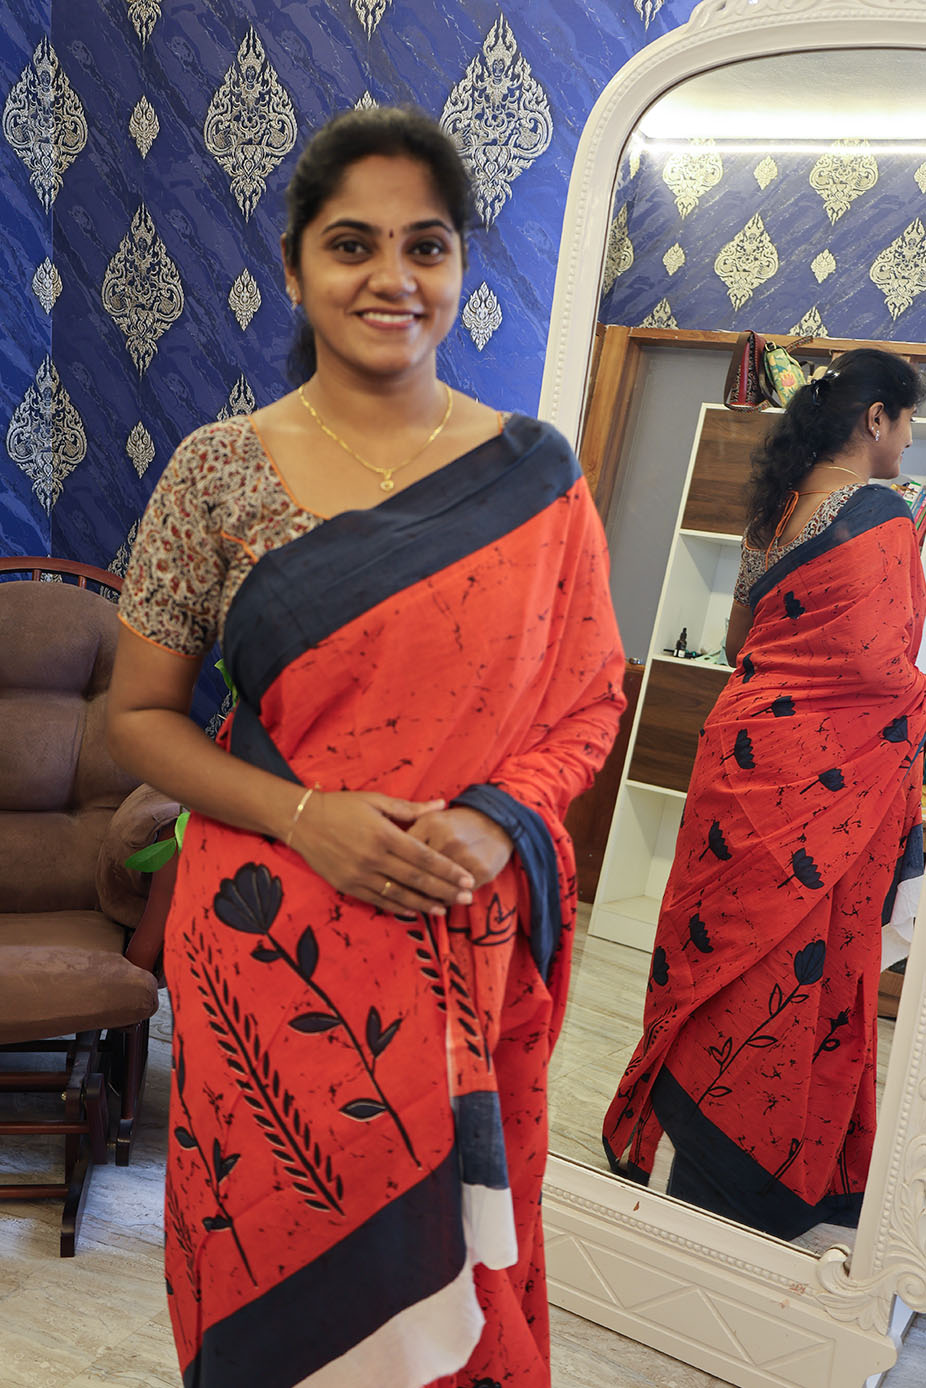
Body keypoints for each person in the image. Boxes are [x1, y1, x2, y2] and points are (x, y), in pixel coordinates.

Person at [107, 105, 625, 1388]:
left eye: (427, 246)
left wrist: (497, 812)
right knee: (277, 1261)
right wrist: (303, 816)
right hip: (268, 949)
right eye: (352, 244)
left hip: (464, 933)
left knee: (454, 1283)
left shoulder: (535, 475)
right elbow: (139, 716)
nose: (391, 278)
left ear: (459, 269)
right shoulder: (215, 472)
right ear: (293, 267)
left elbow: (588, 694)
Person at [602, 348, 926, 1241]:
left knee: (719, 958)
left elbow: (750, 641)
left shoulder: (776, 510)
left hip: (739, 758)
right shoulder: (886, 517)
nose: (907, 440)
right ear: (876, 420)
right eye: (905, 422)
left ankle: (690, 1147)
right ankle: (761, 1176)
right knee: (794, 964)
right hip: (822, 781)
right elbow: (873, 664)